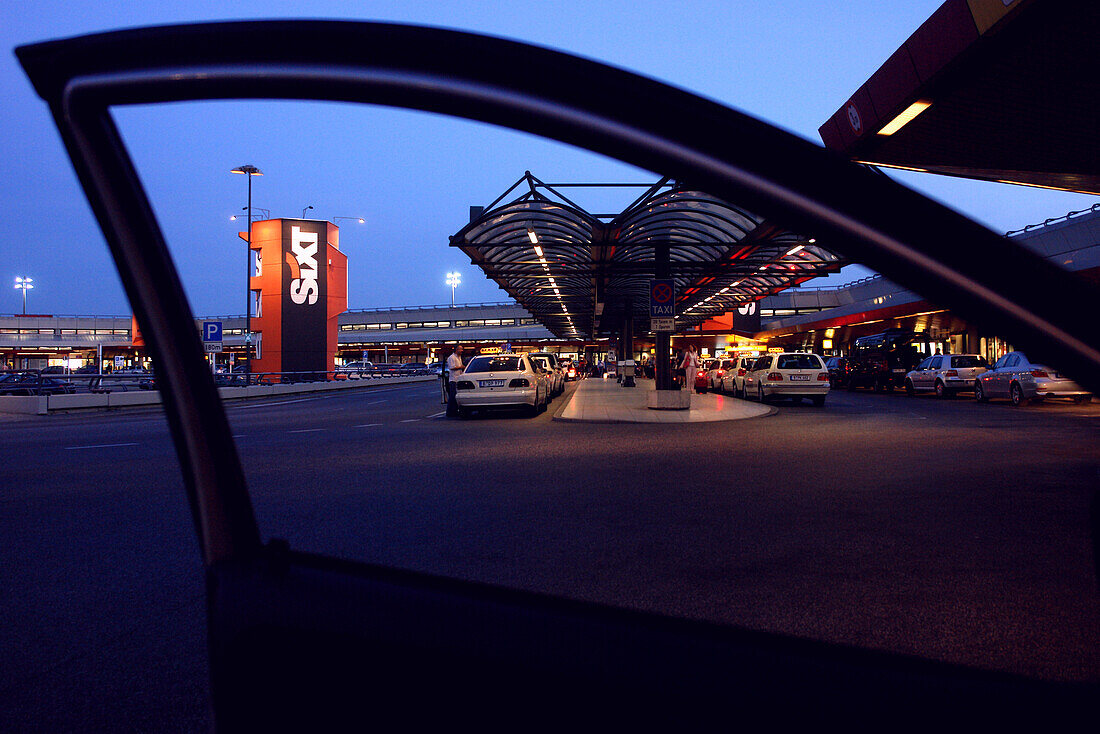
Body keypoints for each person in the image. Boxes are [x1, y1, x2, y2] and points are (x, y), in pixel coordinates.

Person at [445, 344, 465, 417]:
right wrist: (461, 367)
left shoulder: (459, 357)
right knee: (452, 396)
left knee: (456, 397)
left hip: (459, 379)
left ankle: (455, 410)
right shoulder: (452, 358)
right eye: (460, 349)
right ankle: (450, 412)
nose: (462, 350)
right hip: (454, 379)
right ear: (456, 349)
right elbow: (452, 367)